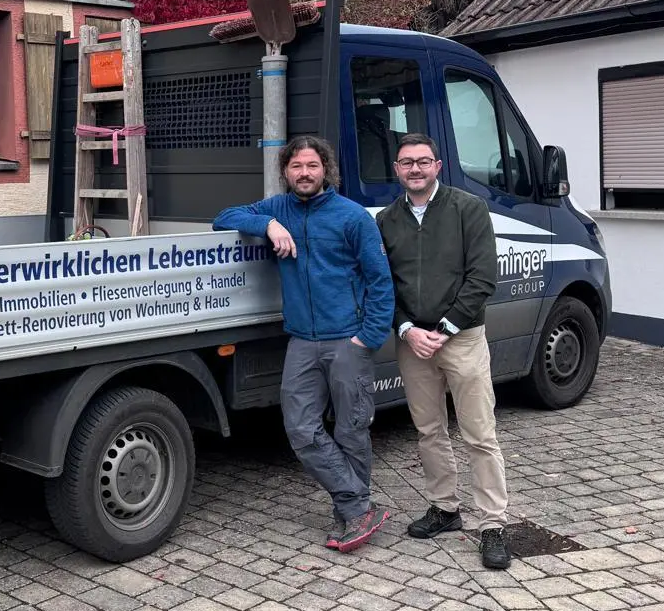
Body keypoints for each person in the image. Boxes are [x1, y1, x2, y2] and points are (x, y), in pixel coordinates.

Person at [214, 135, 395, 553]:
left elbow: (380, 282)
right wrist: (268, 225)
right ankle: (358, 504)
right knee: (300, 428)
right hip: (301, 341)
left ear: (325, 169)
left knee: (351, 430)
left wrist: (366, 337)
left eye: (312, 165)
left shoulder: (352, 217)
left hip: (347, 340)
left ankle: (350, 511)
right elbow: (224, 217)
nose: (304, 173)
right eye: (296, 167)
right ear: (286, 172)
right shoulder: (277, 208)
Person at [374, 132, 511, 570]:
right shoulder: (386, 220)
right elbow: (383, 284)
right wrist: (408, 328)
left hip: (462, 338)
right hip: (413, 341)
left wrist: (445, 328)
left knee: (479, 434)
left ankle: (492, 525)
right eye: (406, 162)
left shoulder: (468, 208)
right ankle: (445, 508)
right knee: (429, 430)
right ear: (396, 170)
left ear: (437, 166)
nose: (414, 169)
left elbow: (482, 276)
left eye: (422, 161)